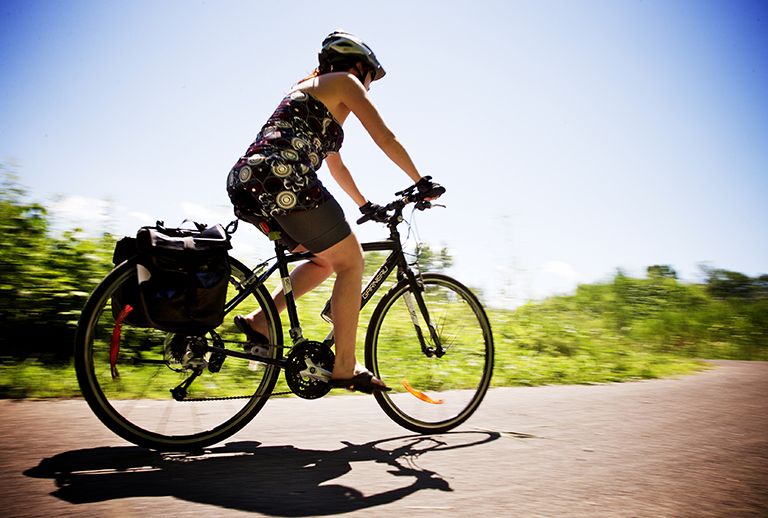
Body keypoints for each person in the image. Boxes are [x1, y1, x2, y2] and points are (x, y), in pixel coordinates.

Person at [226, 31, 444, 393]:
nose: (370, 86)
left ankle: (261, 321)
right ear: (359, 66)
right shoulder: (345, 82)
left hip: (249, 180)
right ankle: (344, 365)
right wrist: (421, 180)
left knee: (324, 260)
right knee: (351, 261)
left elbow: (336, 166)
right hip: (284, 179)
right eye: (371, 76)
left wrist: (363, 204)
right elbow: (384, 137)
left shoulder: (313, 94)